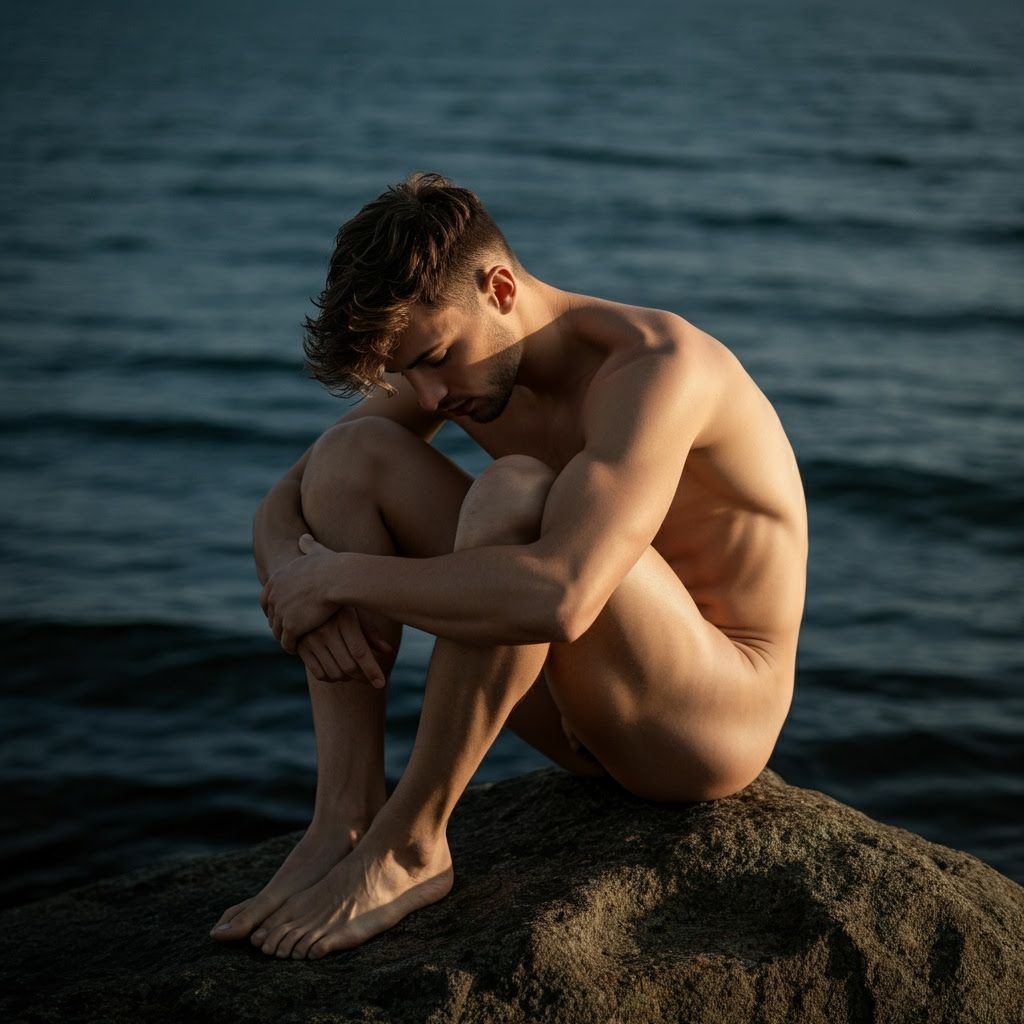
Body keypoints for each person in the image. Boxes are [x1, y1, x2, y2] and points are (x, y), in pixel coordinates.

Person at [210, 171, 808, 960]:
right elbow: (285, 500)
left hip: (703, 720)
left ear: (498, 286)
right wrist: (294, 581)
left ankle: (413, 843)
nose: (426, 392)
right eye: (406, 372)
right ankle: (344, 817)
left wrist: (334, 578)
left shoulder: (657, 368)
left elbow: (565, 595)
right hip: (573, 705)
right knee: (348, 458)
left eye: (433, 358)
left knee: (516, 491)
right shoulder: (461, 370)